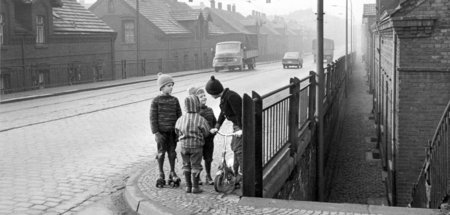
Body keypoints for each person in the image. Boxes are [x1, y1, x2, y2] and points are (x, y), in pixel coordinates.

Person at [204, 76, 243, 184]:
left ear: (214, 91)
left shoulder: (231, 97)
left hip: (241, 125)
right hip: (237, 125)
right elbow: (223, 113)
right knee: (234, 147)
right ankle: (236, 173)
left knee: (239, 149)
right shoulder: (225, 97)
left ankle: (244, 175)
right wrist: (216, 127)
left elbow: (240, 114)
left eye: (210, 93)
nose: (210, 96)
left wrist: (241, 129)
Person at [150, 73, 182, 187]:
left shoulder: (175, 100)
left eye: (172, 85)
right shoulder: (156, 101)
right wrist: (156, 132)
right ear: (162, 87)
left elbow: (179, 117)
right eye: (169, 85)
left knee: (172, 153)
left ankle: (172, 171)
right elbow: (153, 118)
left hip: (172, 133)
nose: (171, 87)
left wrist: (179, 131)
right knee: (161, 153)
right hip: (161, 133)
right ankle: (161, 172)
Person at [175, 95, 211, 193]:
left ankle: (188, 186)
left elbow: (177, 130)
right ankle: (195, 187)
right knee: (196, 166)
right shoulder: (200, 119)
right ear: (197, 105)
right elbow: (206, 132)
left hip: (184, 146)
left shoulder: (181, 119)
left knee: (186, 164)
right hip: (196, 147)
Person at [188, 86, 217, 185]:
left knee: (208, 158)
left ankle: (208, 175)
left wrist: (215, 131)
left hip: (209, 140)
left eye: (204, 95)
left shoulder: (210, 110)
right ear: (196, 100)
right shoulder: (196, 113)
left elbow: (215, 122)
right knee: (198, 159)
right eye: (201, 96)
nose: (204, 97)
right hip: (199, 140)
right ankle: (198, 177)